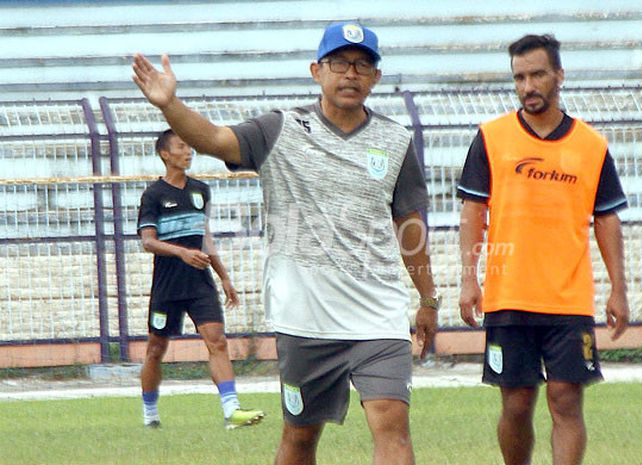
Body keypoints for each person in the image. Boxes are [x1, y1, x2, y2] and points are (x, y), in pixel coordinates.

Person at [132, 21, 439, 465]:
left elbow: (410, 227)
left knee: (393, 427)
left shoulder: (395, 141)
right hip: (304, 319)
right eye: (339, 63)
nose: (350, 74)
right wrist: (170, 106)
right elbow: (215, 139)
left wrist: (427, 298)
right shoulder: (280, 129)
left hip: (379, 317)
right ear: (317, 70)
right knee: (299, 440)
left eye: (362, 65)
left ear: (376, 77)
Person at [458, 34, 630, 465]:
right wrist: (468, 278)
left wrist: (618, 288)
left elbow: (607, 218)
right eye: (519, 77)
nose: (528, 86)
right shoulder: (491, 137)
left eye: (537, 74)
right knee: (516, 404)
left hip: (568, 298)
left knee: (566, 399)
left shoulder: (591, 146)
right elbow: (473, 212)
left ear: (559, 75)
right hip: (508, 295)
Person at [136, 129, 265, 430]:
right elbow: (148, 241)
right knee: (156, 350)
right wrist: (181, 253)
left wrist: (224, 278)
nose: (189, 151)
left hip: (200, 282)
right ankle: (149, 411)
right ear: (165, 154)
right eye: (181, 146)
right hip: (167, 286)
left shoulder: (200, 191)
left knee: (217, 341)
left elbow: (205, 239)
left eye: (190, 146)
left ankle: (231, 411)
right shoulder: (153, 195)